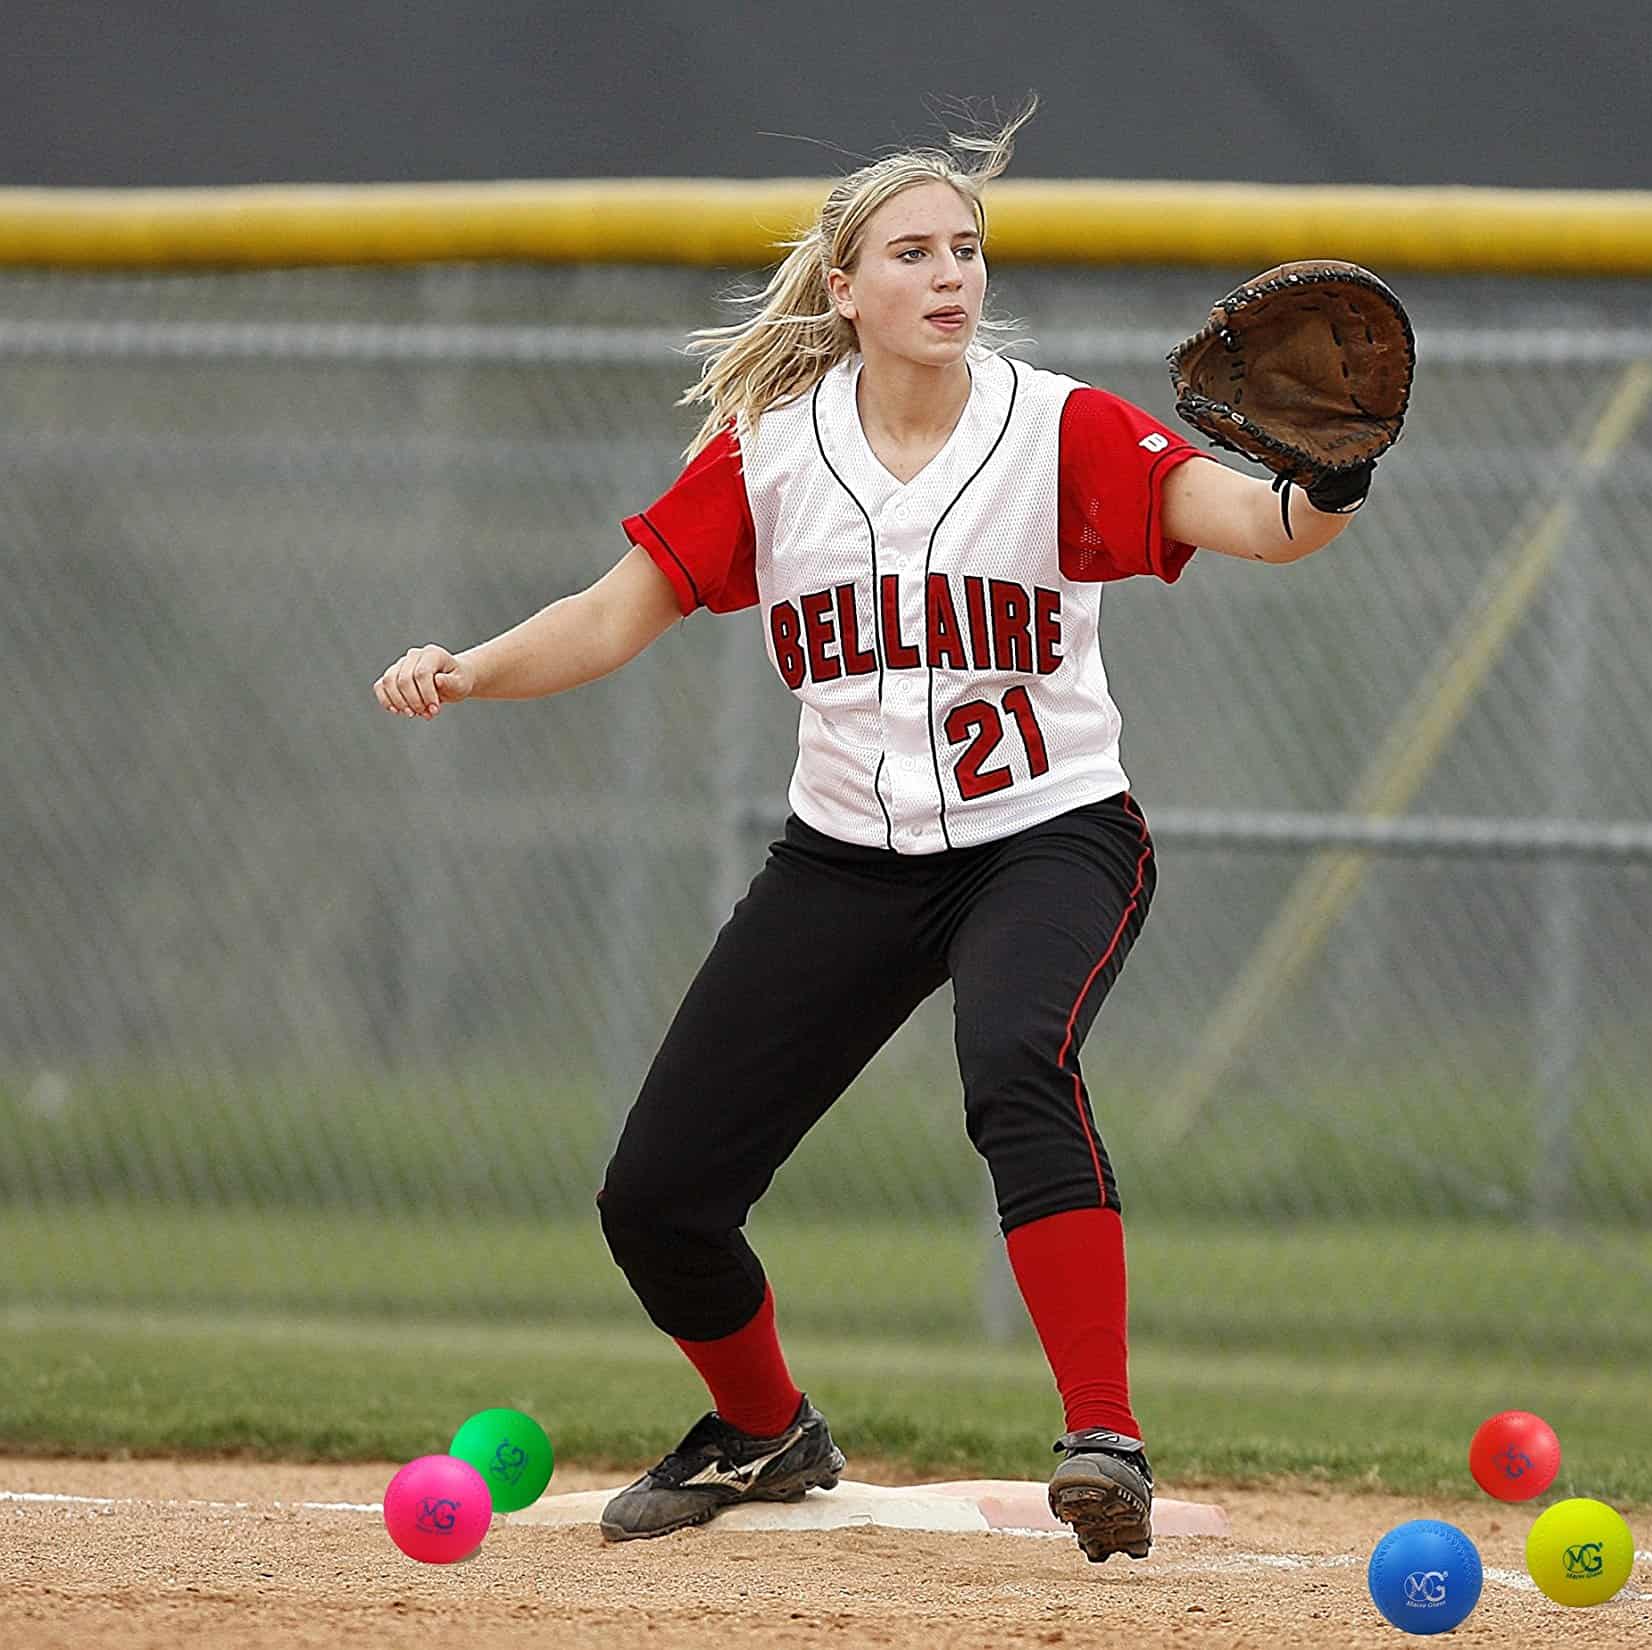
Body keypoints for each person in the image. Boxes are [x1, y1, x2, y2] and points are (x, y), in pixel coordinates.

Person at [367, 106, 1376, 1562]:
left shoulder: (1058, 428)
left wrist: (1330, 479)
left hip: (1050, 836)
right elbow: (605, 618)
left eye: (965, 248)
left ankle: (1106, 1435)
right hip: (843, 858)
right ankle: (765, 1430)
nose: (950, 273)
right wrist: (466, 664)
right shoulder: (775, 457)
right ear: (844, 289)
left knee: (1016, 1056)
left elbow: (1260, 521)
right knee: (657, 1194)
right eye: (912, 252)